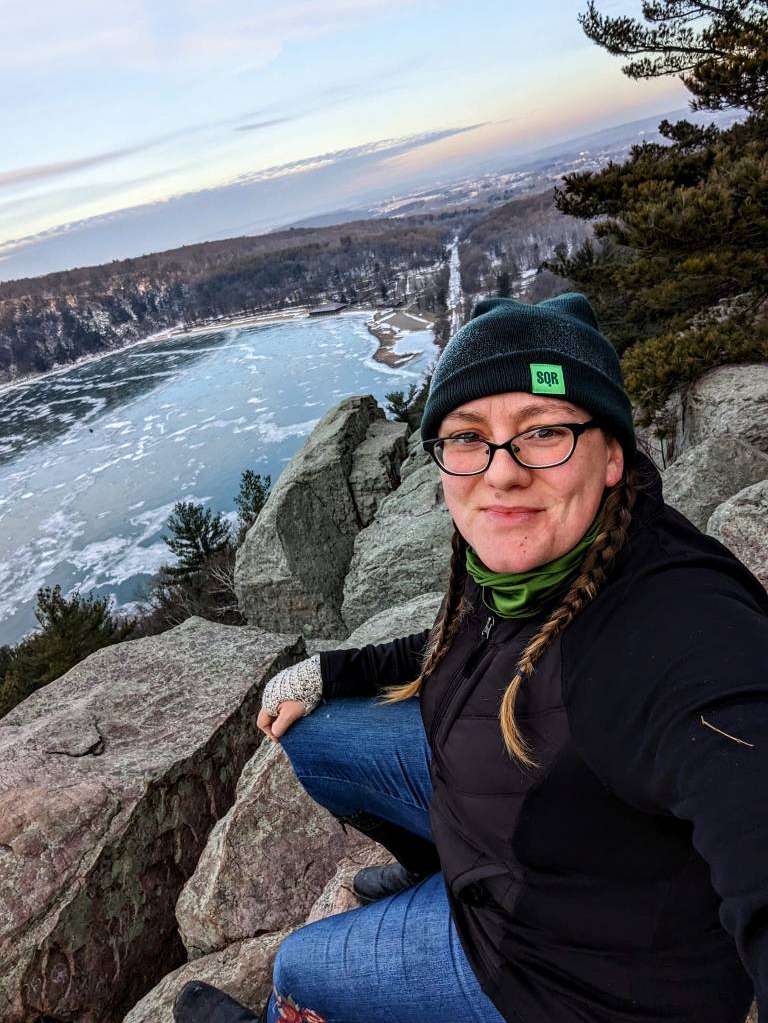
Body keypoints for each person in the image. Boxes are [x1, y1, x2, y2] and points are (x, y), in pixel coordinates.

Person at [173, 294, 768, 1023]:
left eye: (543, 431)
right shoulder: (528, 570)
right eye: (467, 436)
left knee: (296, 968)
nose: (501, 472)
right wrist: (329, 672)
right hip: (529, 830)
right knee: (315, 737)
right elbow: (460, 648)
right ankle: (441, 867)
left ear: (613, 453)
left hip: (556, 969)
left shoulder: (678, 632)